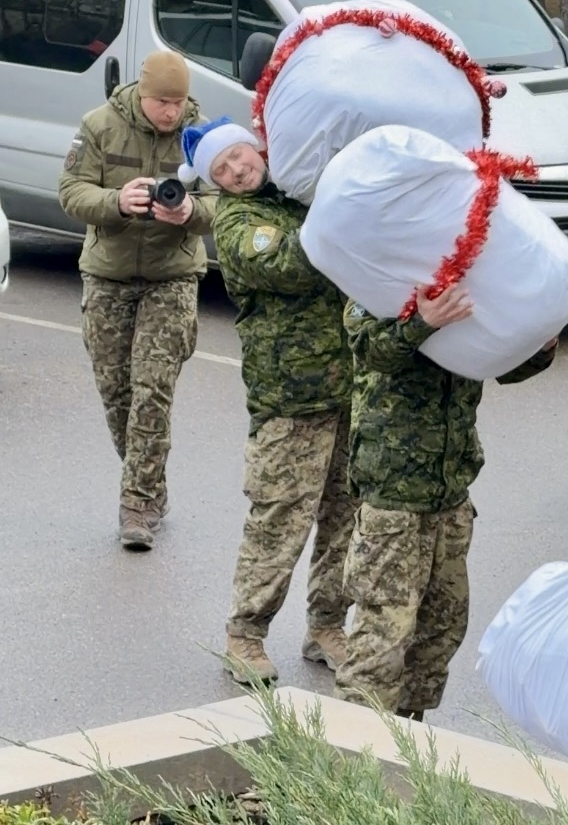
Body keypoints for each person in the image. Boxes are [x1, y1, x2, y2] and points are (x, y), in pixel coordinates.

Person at [179, 117, 358, 683]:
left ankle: (327, 625)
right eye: (221, 170)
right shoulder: (237, 224)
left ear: (256, 149)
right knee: (280, 520)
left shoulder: (299, 192)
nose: (236, 171)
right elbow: (297, 264)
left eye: (238, 157)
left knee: (345, 516)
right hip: (291, 398)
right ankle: (245, 634)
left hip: (352, 386)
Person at [336, 288, 559, 721]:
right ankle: (351, 756)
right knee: (383, 635)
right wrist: (422, 320)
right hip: (394, 491)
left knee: (441, 628)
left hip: (451, 489)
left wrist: (541, 345)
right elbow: (370, 348)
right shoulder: (382, 283)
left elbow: (499, 363)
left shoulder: (471, 284)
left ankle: (405, 736)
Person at [58, 51, 215, 550]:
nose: (170, 112)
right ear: (141, 95)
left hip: (172, 278)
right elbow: (69, 190)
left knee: (152, 389)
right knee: (118, 394)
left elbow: (227, 199)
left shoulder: (202, 136)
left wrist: (190, 209)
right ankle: (151, 485)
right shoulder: (99, 125)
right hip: (108, 275)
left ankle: (138, 505)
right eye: (161, 102)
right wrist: (115, 201)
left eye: (177, 102)